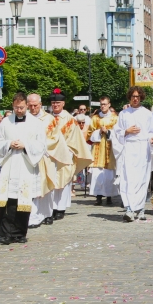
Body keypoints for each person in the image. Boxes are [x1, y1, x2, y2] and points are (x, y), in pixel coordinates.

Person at [0, 97, 44, 244]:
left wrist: (25, 145)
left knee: (24, 200)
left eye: (21, 107)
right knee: (10, 201)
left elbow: (41, 145)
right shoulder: (6, 122)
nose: (19, 110)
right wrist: (9, 143)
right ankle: (7, 233)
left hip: (26, 165)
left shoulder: (36, 123)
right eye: (16, 108)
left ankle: (20, 233)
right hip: (10, 164)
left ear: (26, 105)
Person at [28, 93, 72, 227]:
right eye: (30, 105)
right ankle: (34, 215)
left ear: (40, 105)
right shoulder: (26, 119)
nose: (33, 108)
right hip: (30, 157)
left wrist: (40, 146)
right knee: (34, 187)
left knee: (47, 185)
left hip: (46, 156)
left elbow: (55, 138)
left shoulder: (49, 119)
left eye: (35, 105)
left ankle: (47, 214)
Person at [114, 86, 153, 222]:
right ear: (130, 97)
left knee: (141, 179)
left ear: (141, 97)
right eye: (133, 96)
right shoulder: (123, 114)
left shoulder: (147, 114)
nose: (135, 99)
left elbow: (152, 131)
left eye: (138, 96)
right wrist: (127, 131)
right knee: (128, 179)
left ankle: (140, 208)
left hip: (143, 148)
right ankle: (129, 208)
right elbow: (117, 132)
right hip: (129, 148)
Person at [49, 89, 92, 220]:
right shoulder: (48, 118)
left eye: (57, 103)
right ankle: (50, 208)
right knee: (51, 181)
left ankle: (60, 208)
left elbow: (74, 137)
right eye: (53, 103)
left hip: (65, 154)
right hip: (50, 155)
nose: (55, 105)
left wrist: (65, 149)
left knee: (63, 181)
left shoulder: (69, 119)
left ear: (63, 103)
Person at [85, 97, 119, 205]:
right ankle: (98, 197)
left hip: (110, 148)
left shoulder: (115, 118)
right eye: (101, 104)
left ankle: (109, 197)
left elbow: (118, 134)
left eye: (105, 104)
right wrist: (99, 132)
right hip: (98, 149)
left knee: (109, 174)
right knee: (97, 173)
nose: (103, 106)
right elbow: (89, 134)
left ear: (109, 104)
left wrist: (108, 132)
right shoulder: (95, 118)